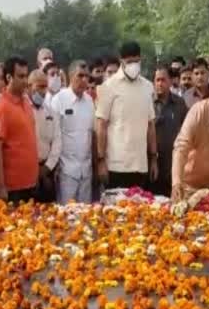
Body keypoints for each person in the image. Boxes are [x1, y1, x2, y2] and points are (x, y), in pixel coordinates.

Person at [96, 41, 158, 190]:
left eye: (137, 61)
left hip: (141, 165)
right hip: (116, 166)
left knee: (139, 211)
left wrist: (154, 158)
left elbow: (150, 125)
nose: (134, 65)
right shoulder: (109, 87)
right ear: (121, 61)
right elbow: (101, 125)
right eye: (130, 62)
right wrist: (101, 160)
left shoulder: (147, 87)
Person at [0, 56, 39, 203]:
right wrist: (1, 186)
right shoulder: (2, 107)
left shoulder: (26, 102)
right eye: (21, 76)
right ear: (8, 77)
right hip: (13, 189)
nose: (25, 81)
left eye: (26, 75)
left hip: (31, 183)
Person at [51, 61, 94, 204]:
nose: (84, 80)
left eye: (87, 76)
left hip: (86, 171)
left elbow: (92, 135)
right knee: (66, 217)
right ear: (70, 76)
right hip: (66, 171)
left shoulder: (89, 102)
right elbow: (54, 137)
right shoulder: (59, 100)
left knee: (87, 217)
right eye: (80, 76)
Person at [151, 66, 187, 197]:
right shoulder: (149, 103)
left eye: (163, 80)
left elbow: (186, 130)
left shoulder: (179, 104)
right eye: (157, 80)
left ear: (171, 81)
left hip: (173, 162)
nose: (160, 84)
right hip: (152, 163)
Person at [28, 69, 61, 203]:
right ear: (29, 87)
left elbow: (57, 141)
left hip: (47, 171)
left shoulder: (51, 112)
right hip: (27, 171)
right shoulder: (23, 110)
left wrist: (47, 167)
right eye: (39, 86)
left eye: (45, 86)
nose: (43, 91)